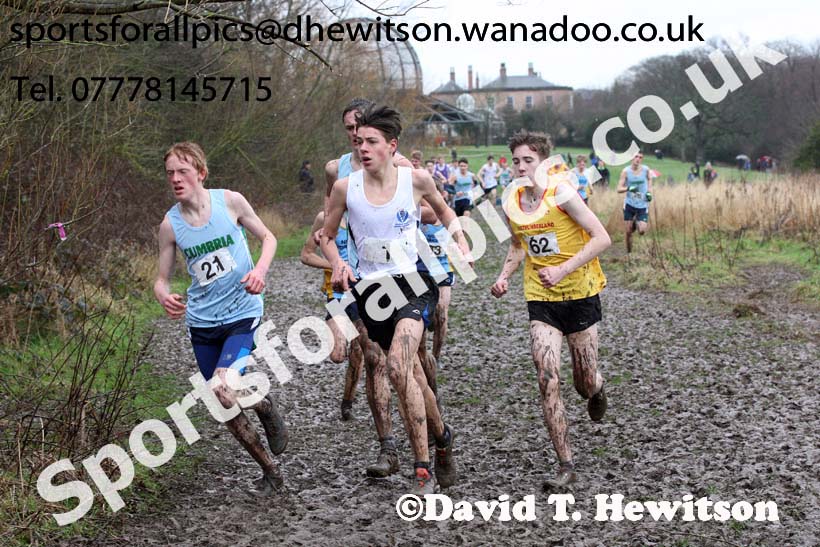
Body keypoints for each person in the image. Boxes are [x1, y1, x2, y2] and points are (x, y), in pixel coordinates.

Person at [321, 104, 471, 495]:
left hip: (411, 283)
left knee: (399, 368)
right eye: (359, 140)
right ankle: (442, 438)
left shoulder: (415, 180)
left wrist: (461, 240)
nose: (363, 146)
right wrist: (337, 263)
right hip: (372, 293)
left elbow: (446, 213)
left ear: (391, 146)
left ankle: (422, 470)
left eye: (372, 141)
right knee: (415, 379)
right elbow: (325, 233)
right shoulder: (343, 187)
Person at [155, 142, 288, 494]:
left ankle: (263, 403)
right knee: (223, 403)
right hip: (202, 323)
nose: (175, 178)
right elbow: (160, 279)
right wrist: (164, 295)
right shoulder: (170, 225)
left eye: (183, 171)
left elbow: (269, 238)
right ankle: (270, 470)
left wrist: (260, 269)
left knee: (223, 387)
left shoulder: (230, 201)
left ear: (200, 173)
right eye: (170, 172)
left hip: (243, 312)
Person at [491, 131, 610, 489]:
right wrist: (503, 276)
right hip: (540, 299)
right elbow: (518, 244)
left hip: (579, 293)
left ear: (543, 162)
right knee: (546, 378)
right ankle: (565, 464)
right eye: (515, 161)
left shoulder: (561, 192)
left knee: (583, 380)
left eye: (528, 160)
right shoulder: (511, 198)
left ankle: (597, 387)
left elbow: (602, 237)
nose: (521, 167)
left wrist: (562, 269)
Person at [300, 211, 363, 421]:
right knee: (337, 355)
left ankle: (348, 402)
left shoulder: (368, 214)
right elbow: (306, 255)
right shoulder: (323, 218)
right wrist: (336, 266)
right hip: (337, 294)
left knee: (360, 351)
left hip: (368, 292)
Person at [617, 152, 654, 253]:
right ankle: (629, 253)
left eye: (640, 157)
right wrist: (629, 188)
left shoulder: (646, 170)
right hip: (629, 204)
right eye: (636, 157)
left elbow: (650, 179)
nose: (638, 159)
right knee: (628, 232)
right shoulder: (625, 171)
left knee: (642, 231)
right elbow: (618, 189)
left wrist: (649, 192)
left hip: (642, 204)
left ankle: (635, 223)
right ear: (631, 158)